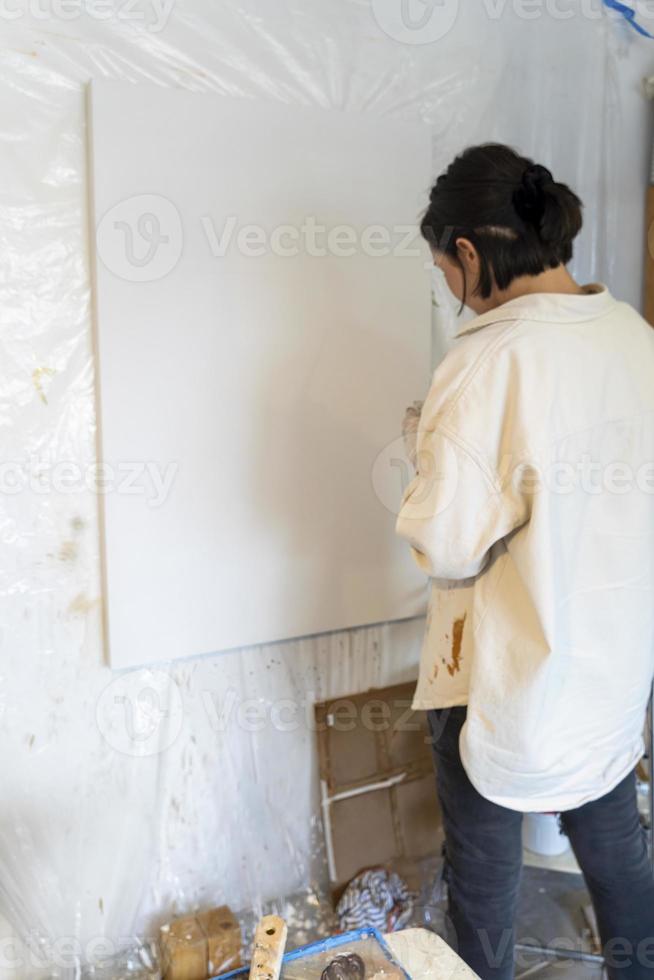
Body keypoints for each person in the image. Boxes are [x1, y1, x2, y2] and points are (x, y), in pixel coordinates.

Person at [395, 143, 654, 979]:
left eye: (444, 270)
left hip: (504, 674)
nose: (451, 293)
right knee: (620, 861)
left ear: (469, 254)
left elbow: (446, 543)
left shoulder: (486, 360)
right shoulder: (634, 336)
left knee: (483, 875)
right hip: (610, 669)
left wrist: (423, 452)